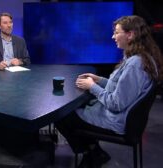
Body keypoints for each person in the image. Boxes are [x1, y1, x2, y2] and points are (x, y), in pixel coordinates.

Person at [55, 15, 163, 168]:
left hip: (115, 121)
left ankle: (90, 153)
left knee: (61, 115)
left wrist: (92, 86)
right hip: (123, 118)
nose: (113, 37)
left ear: (130, 34)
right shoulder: (141, 58)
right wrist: (99, 80)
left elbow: (115, 103)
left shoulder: (135, 65)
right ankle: (94, 152)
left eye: (117, 32)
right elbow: (122, 87)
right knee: (73, 110)